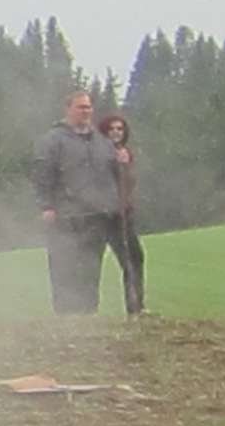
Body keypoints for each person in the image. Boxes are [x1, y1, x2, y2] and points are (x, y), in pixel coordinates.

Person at [30, 89, 123, 316]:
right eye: (81, 107)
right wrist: (46, 206)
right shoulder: (52, 141)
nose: (86, 112)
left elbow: (113, 175)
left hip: (96, 216)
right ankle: (65, 320)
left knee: (91, 271)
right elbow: (43, 174)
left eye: (88, 107)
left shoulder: (102, 142)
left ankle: (89, 317)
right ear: (68, 109)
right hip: (65, 217)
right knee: (64, 270)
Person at [101, 110, 146, 315]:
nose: (116, 132)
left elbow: (128, 184)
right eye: (111, 129)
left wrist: (126, 165)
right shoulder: (100, 154)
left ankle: (135, 307)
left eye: (120, 128)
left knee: (134, 259)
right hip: (105, 216)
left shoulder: (126, 153)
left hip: (123, 216)